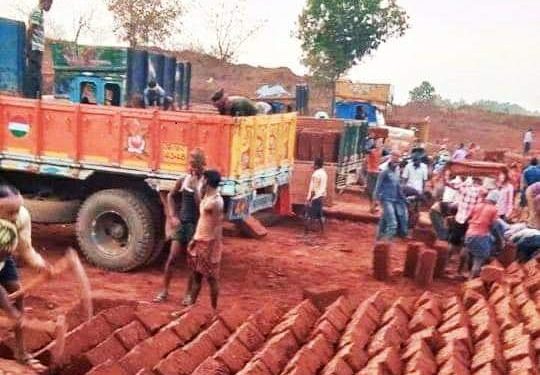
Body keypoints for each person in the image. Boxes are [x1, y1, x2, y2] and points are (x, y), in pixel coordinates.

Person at [0, 186, 53, 371]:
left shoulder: (21, 216)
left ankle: (21, 353)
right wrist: (9, 311)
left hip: (3, 258)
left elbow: (25, 249)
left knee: (17, 294)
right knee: (9, 307)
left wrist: (41, 264)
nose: (15, 216)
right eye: (10, 212)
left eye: (17, 210)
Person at [154, 149, 206, 303]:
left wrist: (196, 188)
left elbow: (201, 206)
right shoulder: (183, 179)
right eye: (190, 164)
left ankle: (189, 294)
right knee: (172, 258)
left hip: (196, 227)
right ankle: (164, 291)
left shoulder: (204, 183)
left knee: (192, 262)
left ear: (200, 166)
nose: (190, 167)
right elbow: (170, 195)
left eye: (193, 164)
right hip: (182, 224)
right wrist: (172, 215)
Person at [183, 170, 224, 310]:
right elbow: (202, 219)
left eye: (203, 179)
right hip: (199, 241)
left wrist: (215, 251)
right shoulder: (206, 197)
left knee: (212, 279)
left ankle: (214, 309)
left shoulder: (216, 202)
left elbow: (218, 227)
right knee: (196, 277)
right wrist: (194, 238)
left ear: (206, 181)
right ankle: (190, 308)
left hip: (209, 244)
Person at [461, 190, 500, 279]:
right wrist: (499, 239)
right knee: (480, 258)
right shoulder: (494, 209)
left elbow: (467, 219)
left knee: (470, 251)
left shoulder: (477, 206)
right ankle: (471, 282)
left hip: (469, 233)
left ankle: (462, 271)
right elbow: (494, 226)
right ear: (496, 200)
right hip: (481, 236)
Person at [374, 150, 408, 240]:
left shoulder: (396, 172)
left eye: (397, 160)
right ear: (391, 157)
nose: (396, 163)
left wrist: (404, 199)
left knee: (384, 220)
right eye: (394, 157)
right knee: (393, 224)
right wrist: (375, 200)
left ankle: (379, 239)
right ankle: (385, 243)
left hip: (393, 199)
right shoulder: (384, 171)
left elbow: (398, 188)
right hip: (385, 199)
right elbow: (377, 186)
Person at [447, 177, 482, 257]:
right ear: (480, 181)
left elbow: (450, 184)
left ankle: (446, 261)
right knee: (466, 245)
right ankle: (460, 268)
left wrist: (463, 184)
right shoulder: (480, 192)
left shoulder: (464, 189)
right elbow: (478, 207)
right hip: (470, 221)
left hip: (459, 219)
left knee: (452, 242)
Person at [25, 0, 53, 99]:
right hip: (35, 47)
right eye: (50, 3)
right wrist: (27, 44)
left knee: (36, 72)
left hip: (37, 47)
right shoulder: (37, 11)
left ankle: (35, 96)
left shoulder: (39, 12)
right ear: (45, 1)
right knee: (34, 73)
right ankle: (32, 97)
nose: (50, 6)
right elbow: (31, 28)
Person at [305, 157, 328, 233]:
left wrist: (309, 199)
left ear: (317, 166)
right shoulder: (324, 173)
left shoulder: (316, 174)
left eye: (313, 164)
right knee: (320, 214)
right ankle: (323, 230)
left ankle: (307, 232)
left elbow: (313, 188)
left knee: (309, 215)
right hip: (321, 196)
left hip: (315, 197)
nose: (312, 165)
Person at [365, 138, 383, 213]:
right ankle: (373, 205)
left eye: (380, 142)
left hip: (374, 172)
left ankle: (373, 206)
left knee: (371, 190)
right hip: (371, 171)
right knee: (370, 190)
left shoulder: (376, 151)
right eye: (378, 142)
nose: (379, 144)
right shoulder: (374, 151)